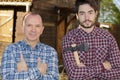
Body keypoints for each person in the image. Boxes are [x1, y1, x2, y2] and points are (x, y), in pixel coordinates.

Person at [62, 0, 120, 80]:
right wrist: (102, 66)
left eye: (90, 12)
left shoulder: (108, 38)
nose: (87, 18)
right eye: (82, 13)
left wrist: (84, 74)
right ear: (77, 15)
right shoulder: (69, 39)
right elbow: (73, 74)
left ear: (96, 14)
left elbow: (118, 71)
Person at [1, 12, 59, 80]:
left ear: (42, 30)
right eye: (29, 25)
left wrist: (24, 72)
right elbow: (7, 77)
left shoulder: (51, 52)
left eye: (37, 26)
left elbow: (53, 78)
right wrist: (38, 71)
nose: (33, 29)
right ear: (22, 28)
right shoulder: (10, 50)